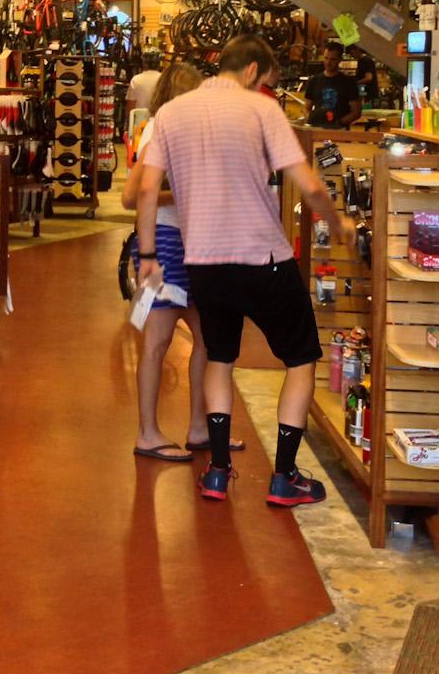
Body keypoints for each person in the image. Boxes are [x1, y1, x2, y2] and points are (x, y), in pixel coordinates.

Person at [136, 34, 353, 507]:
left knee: (220, 356)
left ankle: (216, 470)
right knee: (300, 360)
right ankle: (286, 475)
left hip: (205, 263)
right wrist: (339, 223)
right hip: (264, 259)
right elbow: (310, 185)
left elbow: (147, 190)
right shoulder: (262, 110)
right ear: (253, 71)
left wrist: (149, 254)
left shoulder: (171, 114)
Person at [121, 62, 244, 463]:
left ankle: (197, 426)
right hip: (165, 241)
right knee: (157, 341)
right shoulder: (161, 128)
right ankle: (147, 432)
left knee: (206, 339)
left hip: (195, 243)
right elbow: (138, 195)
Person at [304, 40, 362, 128]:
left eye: (332, 59)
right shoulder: (314, 81)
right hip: (317, 130)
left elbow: (356, 112)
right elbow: (306, 107)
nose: (328, 62)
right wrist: (310, 118)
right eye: (326, 58)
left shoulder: (348, 82)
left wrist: (339, 123)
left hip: (340, 131)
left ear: (340, 60)